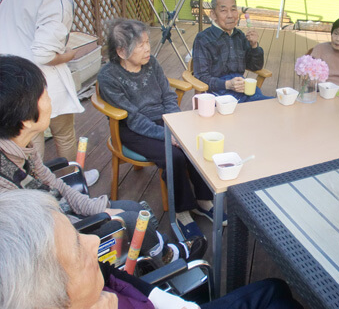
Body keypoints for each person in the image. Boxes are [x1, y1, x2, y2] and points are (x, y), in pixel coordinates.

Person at [0, 55, 206, 268]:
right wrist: (100, 217)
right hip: (61, 247)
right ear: (23, 117)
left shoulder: (23, 148)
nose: (50, 98)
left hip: (61, 214)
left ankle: (157, 252)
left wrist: (96, 207)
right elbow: (49, 234)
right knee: (132, 219)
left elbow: (57, 186)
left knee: (133, 207)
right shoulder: (7, 188)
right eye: (43, 95)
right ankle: (165, 260)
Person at [0, 190, 304, 309]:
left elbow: (111, 274)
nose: (94, 243)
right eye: (79, 250)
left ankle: (173, 252)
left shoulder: (90, 285)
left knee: (275, 289)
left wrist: (166, 300)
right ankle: (174, 253)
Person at [98, 18, 222, 240]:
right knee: (174, 155)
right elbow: (134, 118)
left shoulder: (152, 62)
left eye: (147, 42)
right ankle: (182, 212)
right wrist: (168, 135)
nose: (147, 49)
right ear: (121, 51)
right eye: (140, 45)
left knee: (195, 142)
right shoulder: (108, 76)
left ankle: (203, 200)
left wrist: (175, 124)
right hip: (131, 129)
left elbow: (167, 95)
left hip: (164, 119)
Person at [0, 0, 99, 186]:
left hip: (8, 77)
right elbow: (43, 53)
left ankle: (32, 186)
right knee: (61, 133)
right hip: (39, 82)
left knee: (25, 142)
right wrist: (69, 54)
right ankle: (72, 181)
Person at [192, 0, 271, 102]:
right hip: (218, 93)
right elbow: (201, 77)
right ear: (213, 14)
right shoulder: (204, 39)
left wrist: (254, 46)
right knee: (261, 107)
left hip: (241, 88)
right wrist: (228, 84)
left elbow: (255, 67)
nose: (230, 15)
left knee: (268, 104)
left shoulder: (239, 36)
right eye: (223, 10)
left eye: (233, 10)